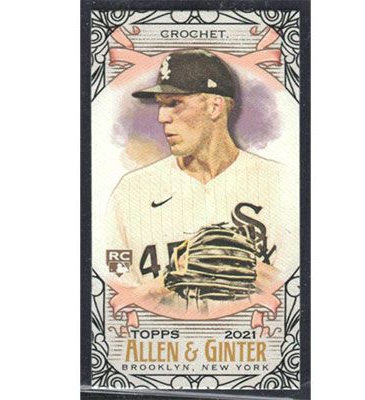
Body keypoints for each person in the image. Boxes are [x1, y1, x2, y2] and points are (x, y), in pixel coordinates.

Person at [105, 49, 298, 307]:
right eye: (161, 104)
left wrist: (250, 270)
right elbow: (113, 293)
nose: (162, 117)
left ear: (214, 106)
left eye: (174, 103)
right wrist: (165, 283)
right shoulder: (132, 190)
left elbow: (297, 291)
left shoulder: (281, 183)